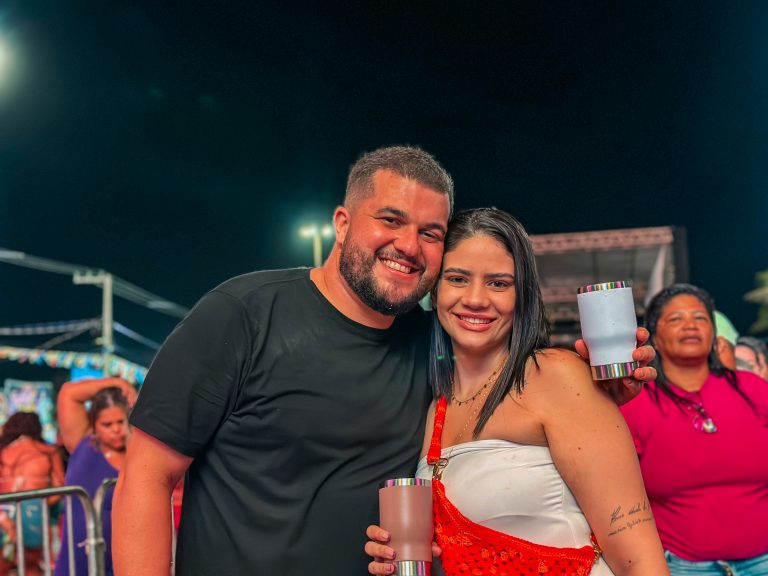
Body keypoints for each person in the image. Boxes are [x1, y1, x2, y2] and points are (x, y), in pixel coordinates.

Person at [112, 145, 655, 576]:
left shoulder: (432, 347)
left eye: (430, 232)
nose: (408, 245)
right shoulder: (243, 314)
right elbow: (147, 476)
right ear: (342, 223)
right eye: (390, 220)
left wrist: (603, 386)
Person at [365, 208, 667, 575]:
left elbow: (641, 561)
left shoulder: (556, 375)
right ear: (435, 289)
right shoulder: (435, 406)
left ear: (522, 295)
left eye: (498, 283)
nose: (476, 299)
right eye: (458, 279)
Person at [620, 284, 768, 575]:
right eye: (676, 318)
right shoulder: (635, 403)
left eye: (700, 318)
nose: (690, 325)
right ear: (654, 337)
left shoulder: (754, 390)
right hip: (681, 567)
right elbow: (620, 495)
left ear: (714, 334)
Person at [56, 377, 135, 576]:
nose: (116, 430)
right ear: (94, 424)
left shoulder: (136, 453)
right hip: (77, 563)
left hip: (124, 563)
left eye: (121, 422)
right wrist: (118, 384)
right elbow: (69, 393)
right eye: (107, 424)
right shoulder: (82, 442)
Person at [0, 411, 65, 576]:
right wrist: (41, 504)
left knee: (3, 563)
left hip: (4, 511)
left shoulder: (4, 451)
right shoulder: (47, 451)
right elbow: (59, 487)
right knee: (30, 565)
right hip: (34, 513)